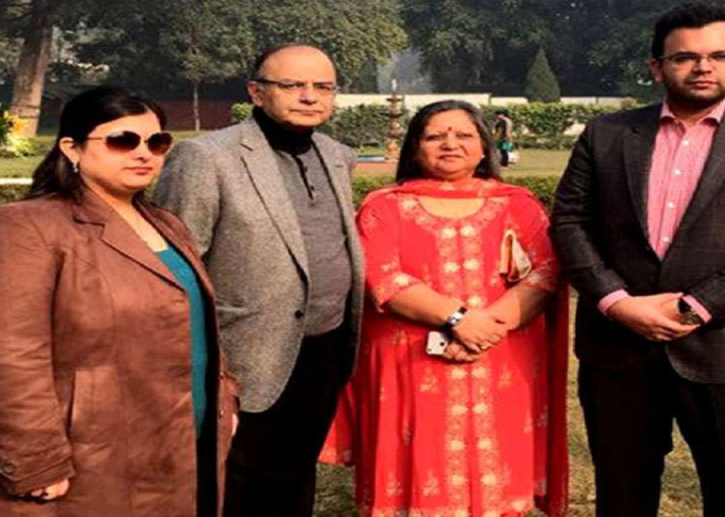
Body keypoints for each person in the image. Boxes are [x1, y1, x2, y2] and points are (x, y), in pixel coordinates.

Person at [550, 4, 725, 517]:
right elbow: (569, 223)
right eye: (685, 57)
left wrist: (697, 306)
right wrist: (617, 302)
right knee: (622, 492)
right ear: (657, 67)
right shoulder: (608, 134)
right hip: (618, 347)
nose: (703, 67)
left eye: (719, 55)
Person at [322, 100, 569, 516]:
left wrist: (484, 329)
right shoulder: (385, 205)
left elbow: (545, 272)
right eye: (435, 136)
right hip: (410, 360)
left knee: (498, 468)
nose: (450, 144)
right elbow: (380, 277)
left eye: (464, 135)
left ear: (484, 146)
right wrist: (458, 319)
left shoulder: (517, 204)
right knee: (418, 468)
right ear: (415, 148)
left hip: (501, 356)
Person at [0, 87, 238, 517]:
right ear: (71, 147)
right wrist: (36, 459)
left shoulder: (166, 224)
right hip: (95, 451)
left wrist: (226, 398)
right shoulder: (30, 227)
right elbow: (14, 354)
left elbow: (198, 321)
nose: (143, 153)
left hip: (187, 439)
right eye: (122, 140)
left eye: (156, 142)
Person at [155, 44, 364, 517]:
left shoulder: (336, 155)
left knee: (296, 474)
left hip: (323, 347)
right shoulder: (207, 157)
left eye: (323, 87)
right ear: (256, 92)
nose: (310, 96)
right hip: (244, 354)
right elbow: (175, 271)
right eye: (292, 85)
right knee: (240, 485)